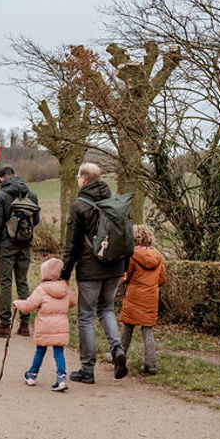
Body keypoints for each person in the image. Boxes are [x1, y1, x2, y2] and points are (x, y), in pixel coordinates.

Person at [61, 162, 128, 383]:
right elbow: (126, 237)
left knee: (86, 317)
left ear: (84, 179)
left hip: (90, 269)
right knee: (106, 309)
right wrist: (124, 268)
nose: (78, 180)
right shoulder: (115, 202)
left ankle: (87, 370)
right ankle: (117, 349)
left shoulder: (79, 205)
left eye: (79, 177)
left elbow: (72, 243)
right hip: (115, 265)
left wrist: (65, 274)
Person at [0, 166, 40, 338]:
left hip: (5, 246)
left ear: (1, 178)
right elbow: (35, 221)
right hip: (25, 245)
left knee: (6, 284)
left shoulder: (1, 196)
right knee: (22, 282)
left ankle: (4, 324)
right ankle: (24, 325)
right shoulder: (31, 194)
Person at [14, 257, 77, 392]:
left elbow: (29, 306)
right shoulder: (65, 288)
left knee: (40, 351)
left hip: (44, 327)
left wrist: (17, 303)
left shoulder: (41, 289)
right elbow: (73, 302)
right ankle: (61, 378)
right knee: (59, 353)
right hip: (60, 327)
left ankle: (32, 375)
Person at [119, 224, 166, 375]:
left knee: (127, 328)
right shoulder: (158, 256)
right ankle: (151, 364)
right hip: (150, 297)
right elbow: (162, 279)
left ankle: (118, 356)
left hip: (134, 296)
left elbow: (126, 276)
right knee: (147, 331)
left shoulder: (132, 255)